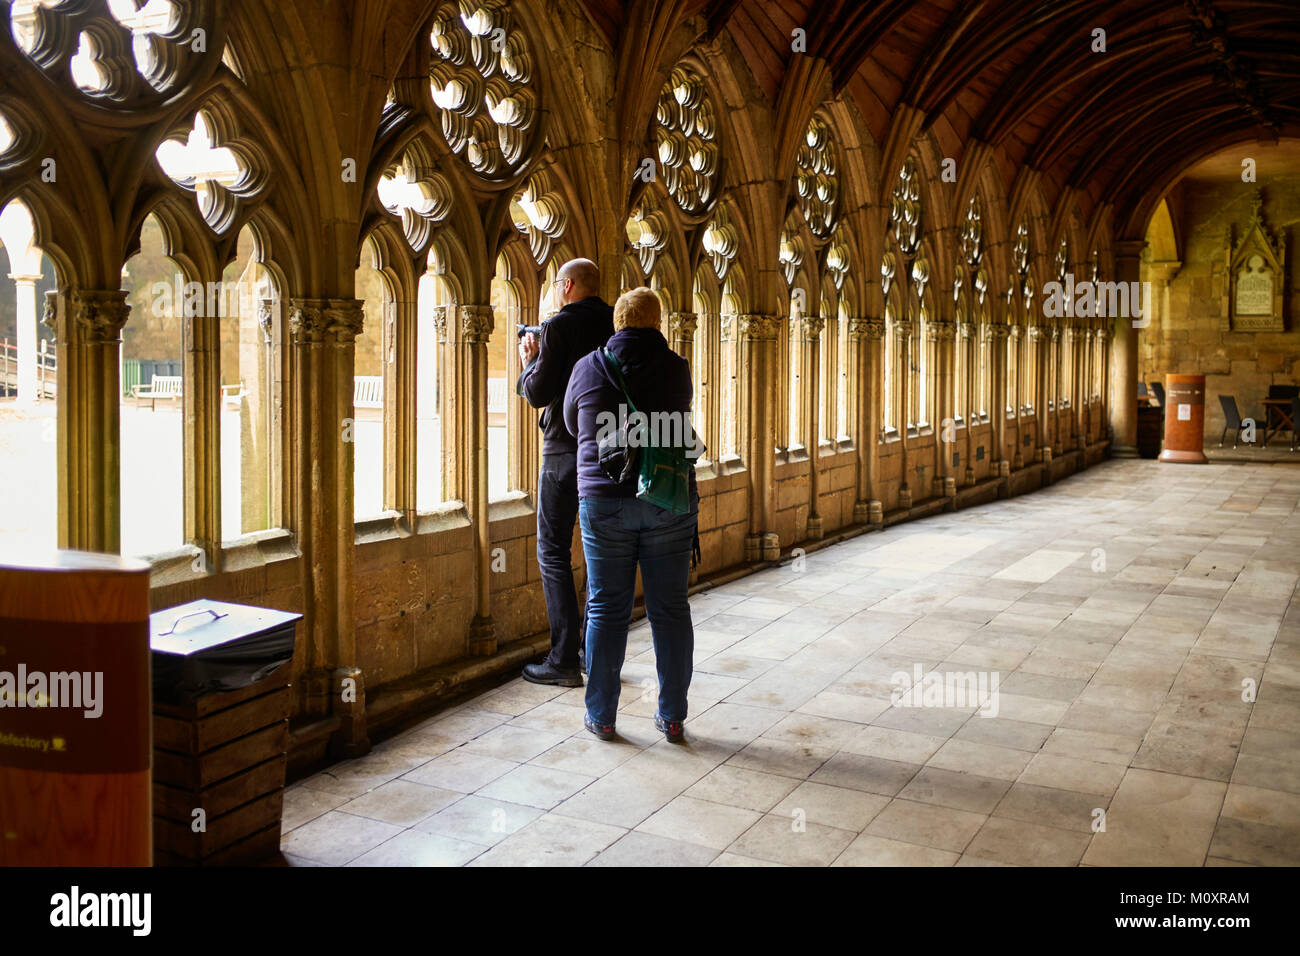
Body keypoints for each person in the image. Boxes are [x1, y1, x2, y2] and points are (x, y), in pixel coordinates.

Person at [563, 287, 699, 743]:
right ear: (658, 323)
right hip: (666, 496)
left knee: (605, 606)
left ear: (617, 323)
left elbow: (568, 422)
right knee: (670, 608)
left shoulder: (587, 368)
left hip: (603, 500)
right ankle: (673, 716)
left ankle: (602, 716)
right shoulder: (677, 368)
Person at [518, 258, 614, 687]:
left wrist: (529, 362)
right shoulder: (617, 321)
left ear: (568, 285)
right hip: (609, 452)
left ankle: (562, 660)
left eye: (558, 283)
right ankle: (595, 655)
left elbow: (538, 393)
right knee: (598, 554)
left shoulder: (557, 327)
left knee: (553, 551)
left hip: (563, 451)